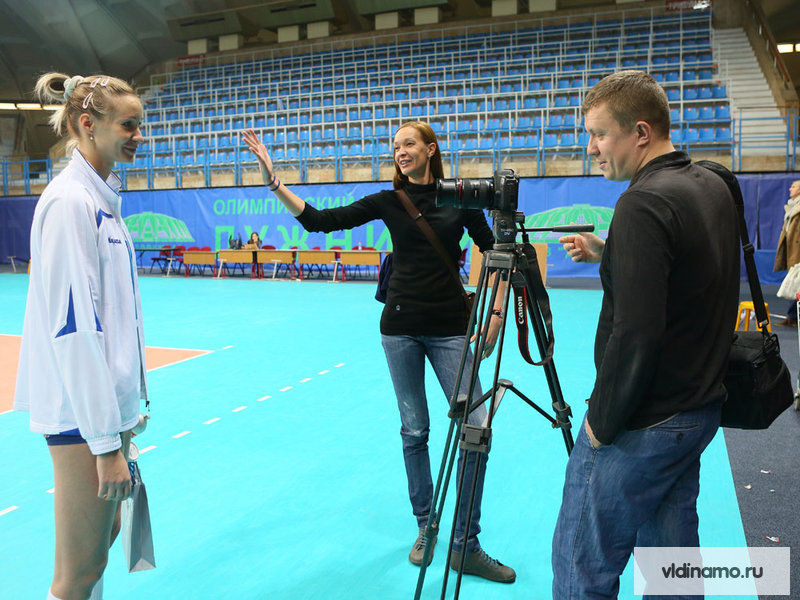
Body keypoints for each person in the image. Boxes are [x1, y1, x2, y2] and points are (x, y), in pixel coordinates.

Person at [242, 121, 516, 583]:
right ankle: (426, 525)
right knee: (415, 431)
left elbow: (497, 255)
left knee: (476, 427)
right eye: (395, 147)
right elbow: (320, 221)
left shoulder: (460, 200)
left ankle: (465, 545)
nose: (400, 151)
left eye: (409, 143)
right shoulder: (388, 201)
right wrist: (275, 183)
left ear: (431, 149)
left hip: (452, 330)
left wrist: (496, 316)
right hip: (400, 330)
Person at [551, 70, 740, 598]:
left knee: (581, 565)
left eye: (599, 134)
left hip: (644, 421)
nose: (591, 148)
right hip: (698, 407)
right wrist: (609, 251)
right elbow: (687, 271)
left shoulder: (642, 203)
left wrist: (600, 425)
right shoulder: (712, 183)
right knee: (672, 567)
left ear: (640, 132)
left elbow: (636, 334)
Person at [14, 72, 148, 600]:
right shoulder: (71, 203)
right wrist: (105, 442)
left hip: (102, 413)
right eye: (129, 125)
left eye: (140, 125)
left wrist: (125, 414)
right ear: (88, 124)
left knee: (102, 542)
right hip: (80, 416)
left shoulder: (101, 201)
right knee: (79, 572)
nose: (139, 135)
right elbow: (75, 331)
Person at [773, 179, 800, 326]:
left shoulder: (797, 207)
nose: (790, 189)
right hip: (792, 249)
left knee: (796, 283)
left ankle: (793, 317)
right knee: (794, 282)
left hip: (797, 250)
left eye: (793, 186)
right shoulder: (792, 206)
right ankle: (792, 316)